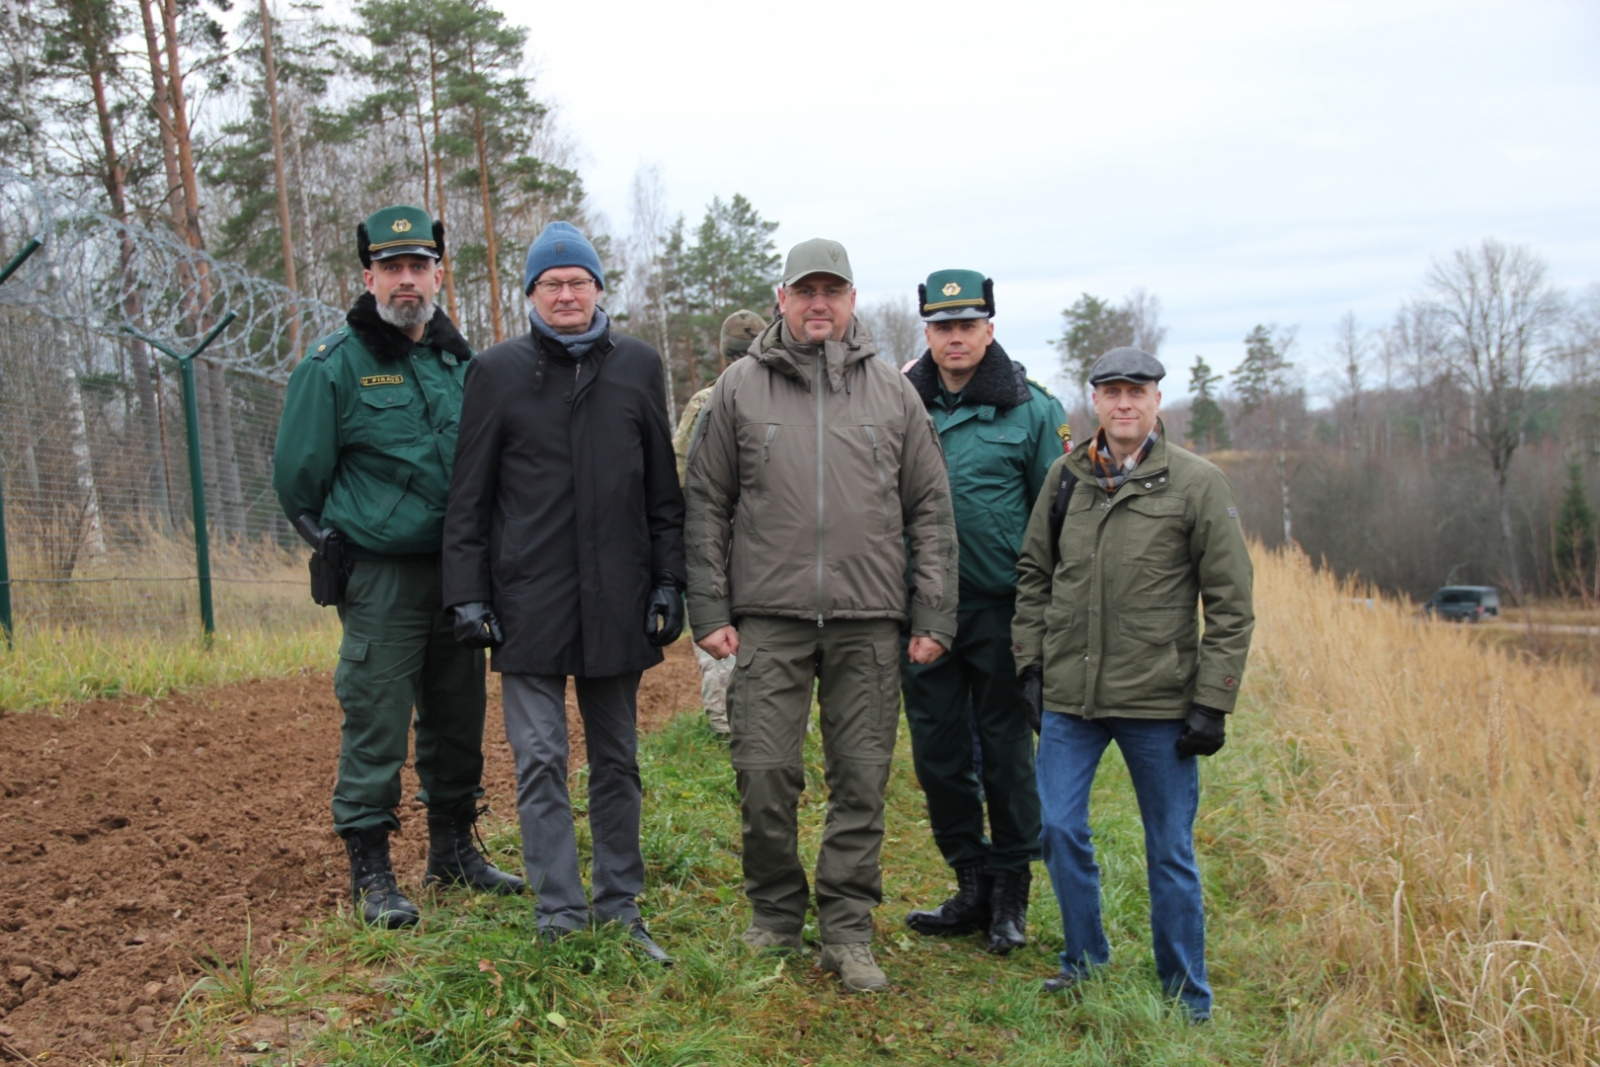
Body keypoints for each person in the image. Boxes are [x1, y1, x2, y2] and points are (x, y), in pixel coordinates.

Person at [684, 238, 959, 993]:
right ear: (782, 299)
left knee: (862, 781)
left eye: (831, 291)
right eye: (805, 290)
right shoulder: (740, 387)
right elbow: (706, 504)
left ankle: (845, 927)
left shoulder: (893, 391)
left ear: (852, 300)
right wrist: (708, 608)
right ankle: (774, 913)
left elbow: (930, 508)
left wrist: (932, 613)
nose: (818, 304)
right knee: (765, 773)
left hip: (869, 619)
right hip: (766, 618)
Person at [273, 205, 525, 930]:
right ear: (368, 276)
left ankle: (452, 853)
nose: (406, 280)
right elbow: (297, 481)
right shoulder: (334, 367)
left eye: (418, 266)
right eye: (392, 268)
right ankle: (372, 871)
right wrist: (333, 544)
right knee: (376, 715)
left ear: (439, 273)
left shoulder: (460, 365)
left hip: (458, 573)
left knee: (457, 715)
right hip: (380, 576)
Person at [441, 221, 684, 963]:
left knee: (616, 760)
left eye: (579, 280)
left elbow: (663, 495)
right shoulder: (497, 372)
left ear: (600, 289)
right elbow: (468, 500)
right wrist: (468, 595)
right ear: (531, 296)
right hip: (529, 603)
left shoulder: (640, 367)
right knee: (541, 755)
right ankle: (558, 913)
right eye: (552, 283)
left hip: (618, 602)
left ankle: (621, 908)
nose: (568, 293)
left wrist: (670, 580)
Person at [1012, 347, 1254, 1020]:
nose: (1123, 404)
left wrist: (1213, 700)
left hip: (1161, 703)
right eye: (1111, 392)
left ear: (1156, 401)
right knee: (1058, 828)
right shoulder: (1065, 479)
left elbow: (1231, 602)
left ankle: (1186, 993)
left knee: (1170, 849)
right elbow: (1033, 574)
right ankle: (1083, 960)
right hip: (1071, 696)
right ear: (1094, 401)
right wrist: (1028, 664)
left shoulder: (1198, 485)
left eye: (1136, 392)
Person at [898, 270, 1067, 954]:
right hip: (923, 612)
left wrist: (1046, 622)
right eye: (942, 327)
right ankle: (969, 885)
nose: (955, 337)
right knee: (938, 754)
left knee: (1005, 754)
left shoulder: (1032, 411)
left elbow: (1057, 524)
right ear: (928, 336)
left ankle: (1010, 895)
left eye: (968, 325)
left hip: (1003, 611)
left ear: (990, 330)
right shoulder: (901, 405)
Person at [672, 309, 767, 738]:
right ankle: (776, 724)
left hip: (716, 541)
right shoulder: (780, 396)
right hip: (770, 543)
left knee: (717, 638)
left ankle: (726, 728)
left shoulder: (703, 401)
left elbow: (679, 472)